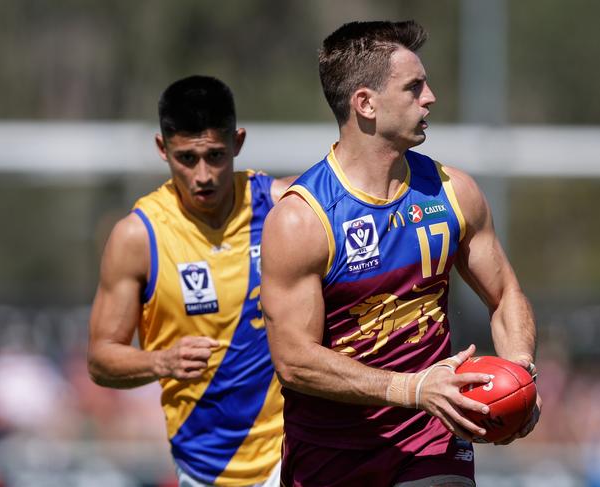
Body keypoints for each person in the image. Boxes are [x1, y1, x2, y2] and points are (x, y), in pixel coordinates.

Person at [261, 20, 541, 487]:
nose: (430, 97)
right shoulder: (302, 219)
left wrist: (519, 377)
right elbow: (294, 361)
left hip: (432, 448)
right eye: (414, 87)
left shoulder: (454, 192)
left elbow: (506, 293)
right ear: (365, 103)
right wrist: (411, 389)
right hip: (331, 458)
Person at [88, 75, 294, 487]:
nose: (203, 175)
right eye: (186, 158)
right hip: (206, 466)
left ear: (237, 143)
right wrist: (160, 361)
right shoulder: (138, 237)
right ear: (163, 149)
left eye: (216, 155)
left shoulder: (283, 209)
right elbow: (100, 358)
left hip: (293, 452)